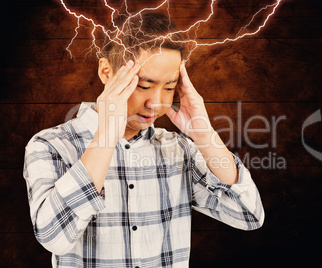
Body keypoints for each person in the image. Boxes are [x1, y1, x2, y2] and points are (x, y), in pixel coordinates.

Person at [23, 12, 264, 268]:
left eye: (169, 87)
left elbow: (249, 215)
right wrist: (106, 137)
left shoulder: (179, 150)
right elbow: (52, 237)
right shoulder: (50, 145)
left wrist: (204, 134)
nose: (156, 102)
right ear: (106, 71)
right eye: (144, 85)